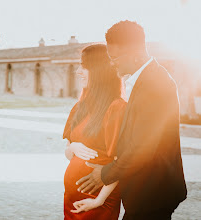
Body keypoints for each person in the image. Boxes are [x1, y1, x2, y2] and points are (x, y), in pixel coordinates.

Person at [76, 21, 187, 219]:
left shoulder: (154, 84)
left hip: (153, 193)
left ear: (134, 53)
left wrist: (104, 174)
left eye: (115, 57)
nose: (112, 63)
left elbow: (142, 148)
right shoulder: (145, 78)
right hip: (148, 191)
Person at [63, 44, 126, 219]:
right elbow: (69, 153)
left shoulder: (117, 108)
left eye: (84, 66)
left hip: (98, 200)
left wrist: (99, 199)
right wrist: (73, 147)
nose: (78, 71)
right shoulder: (79, 107)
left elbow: (121, 161)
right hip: (71, 200)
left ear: (100, 70)